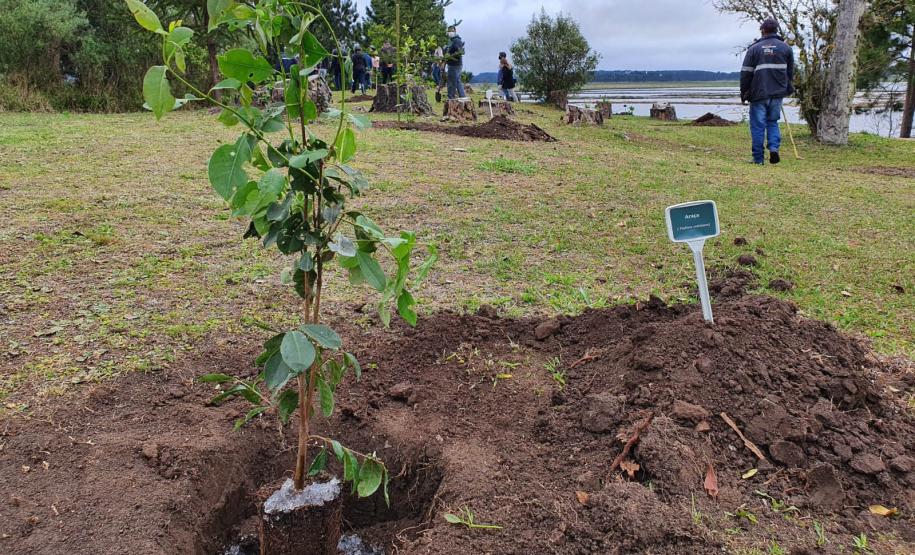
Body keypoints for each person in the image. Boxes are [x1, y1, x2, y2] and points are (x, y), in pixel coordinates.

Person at [740, 18, 794, 165]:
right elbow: (790, 73)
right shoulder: (786, 48)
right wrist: (787, 88)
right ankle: (774, 148)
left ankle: (758, 159)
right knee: (772, 122)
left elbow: (745, 73)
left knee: (758, 126)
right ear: (776, 30)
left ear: (762, 30)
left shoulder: (754, 49)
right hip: (777, 93)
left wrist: (744, 92)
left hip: (758, 94)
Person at [445, 25, 465, 99]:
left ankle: (451, 98)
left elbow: (458, 52)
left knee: (452, 82)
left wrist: (449, 55)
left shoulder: (456, 40)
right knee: (457, 81)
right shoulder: (451, 41)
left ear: (455, 31)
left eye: (452, 31)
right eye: (449, 31)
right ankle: (462, 97)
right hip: (454, 64)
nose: (450, 32)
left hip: (454, 64)